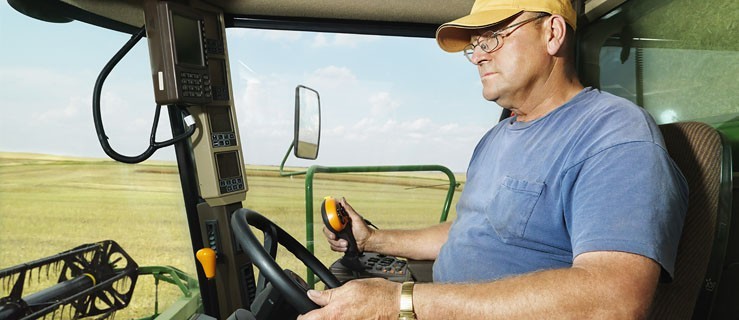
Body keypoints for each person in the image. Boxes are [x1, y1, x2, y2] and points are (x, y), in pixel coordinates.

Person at [298, 0, 688, 318]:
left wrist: (400, 303)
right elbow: (473, 229)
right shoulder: (497, 138)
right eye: (475, 45)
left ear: (552, 33)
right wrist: (375, 240)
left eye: (493, 39)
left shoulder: (613, 134)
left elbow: (614, 301)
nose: (478, 57)